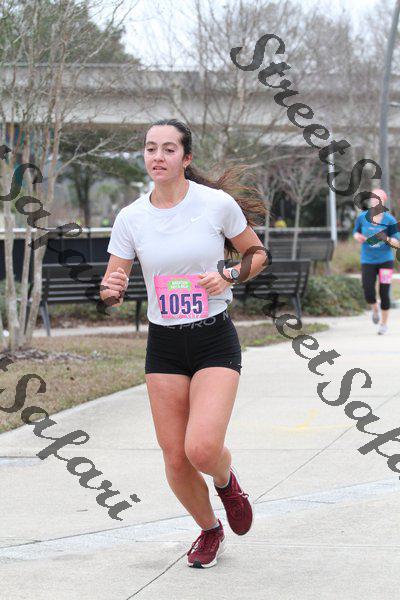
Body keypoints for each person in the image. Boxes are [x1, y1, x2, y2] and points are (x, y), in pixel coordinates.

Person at [100, 118, 268, 568]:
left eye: (168, 149)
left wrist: (229, 274)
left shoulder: (215, 204)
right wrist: (111, 289)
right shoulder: (131, 217)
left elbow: (257, 254)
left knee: (202, 449)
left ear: (186, 157)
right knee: (176, 459)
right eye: (150, 148)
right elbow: (112, 283)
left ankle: (227, 482)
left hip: (213, 338)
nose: (157, 156)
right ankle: (210, 530)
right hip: (165, 345)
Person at [352, 188, 400, 334]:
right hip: (367, 260)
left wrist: (386, 238)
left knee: (384, 292)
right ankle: (375, 309)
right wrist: (358, 237)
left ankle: (383, 324)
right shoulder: (362, 217)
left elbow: (397, 242)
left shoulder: (390, 220)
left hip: (385, 261)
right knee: (368, 291)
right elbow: (355, 232)